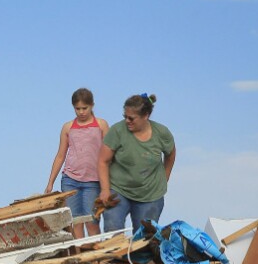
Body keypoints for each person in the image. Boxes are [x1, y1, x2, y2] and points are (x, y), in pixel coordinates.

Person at [97, 93, 176, 233]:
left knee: (144, 238)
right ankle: (116, 255)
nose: (127, 121)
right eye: (125, 117)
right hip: (119, 190)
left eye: (131, 118)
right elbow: (103, 161)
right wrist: (104, 190)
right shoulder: (117, 131)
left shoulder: (162, 133)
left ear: (146, 116)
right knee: (112, 229)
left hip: (150, 195)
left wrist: (165, 177)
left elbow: (170, 153)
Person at [45, 88, 109, 238]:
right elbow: (61, 155)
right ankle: (81, 259)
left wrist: (109, 184)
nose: (81, 112)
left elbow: (109, 155)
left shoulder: (101, 125)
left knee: (92, 221)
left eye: (84, 108)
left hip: (93, 180)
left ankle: (95, 255)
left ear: (92, 105)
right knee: (75, 222)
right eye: (77, 108)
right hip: (70, 179)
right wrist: (50, 182)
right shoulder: (68, 127)